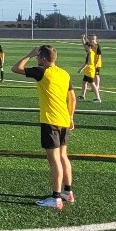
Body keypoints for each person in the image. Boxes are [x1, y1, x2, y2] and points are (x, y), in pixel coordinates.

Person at [13, 45, 77, 210]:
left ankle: (56, 198)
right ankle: (67, 192)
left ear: (42, 58)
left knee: (54, 161)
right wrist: (71, 117)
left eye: (38, 57)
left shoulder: (42, 71)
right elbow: (72, 97)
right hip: (64, 120)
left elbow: (16, 68)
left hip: (50, 121)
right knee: (63, 157)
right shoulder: (64, 73)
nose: (36, 59)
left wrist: (29, 53)